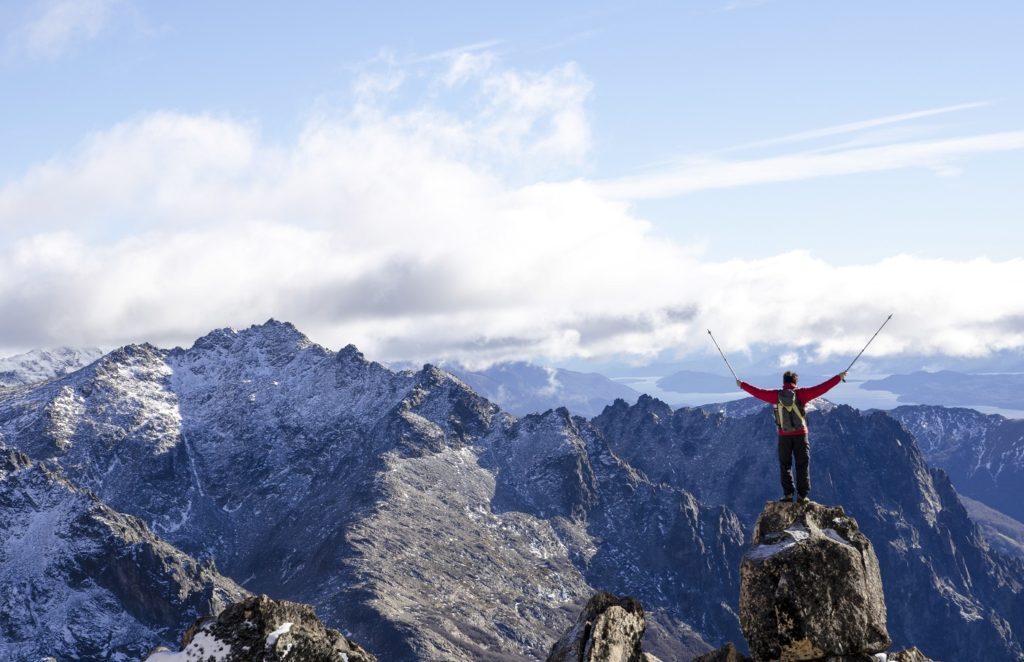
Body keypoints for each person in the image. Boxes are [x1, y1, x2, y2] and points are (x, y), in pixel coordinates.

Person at [736, 370, 847, 504]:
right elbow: (823, 388)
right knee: (802, 464)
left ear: (784, 382)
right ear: (795, 382)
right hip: (801, 434)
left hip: (784, 435)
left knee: (785, 465)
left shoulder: (775, 395)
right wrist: (838, 378)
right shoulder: (802, 394)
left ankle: (788, 495)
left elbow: (757, 392)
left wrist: (742, 385)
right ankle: (802, 496)